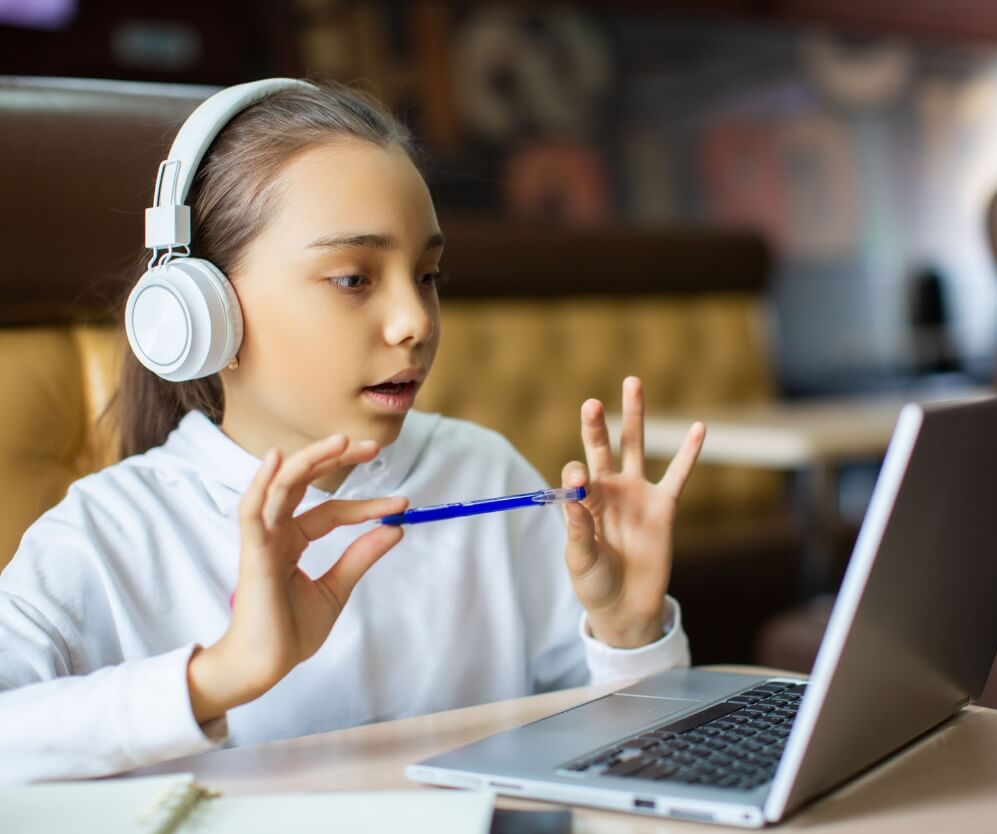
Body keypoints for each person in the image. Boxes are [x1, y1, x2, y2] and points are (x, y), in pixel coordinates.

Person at [0, 79, 705, 783]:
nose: (416, 322)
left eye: (428, 274)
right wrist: (215, 677)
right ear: (203, 310)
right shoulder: (107, 535)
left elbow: (626, 765)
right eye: (352, 279)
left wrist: (625, 631)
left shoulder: (483, 472)